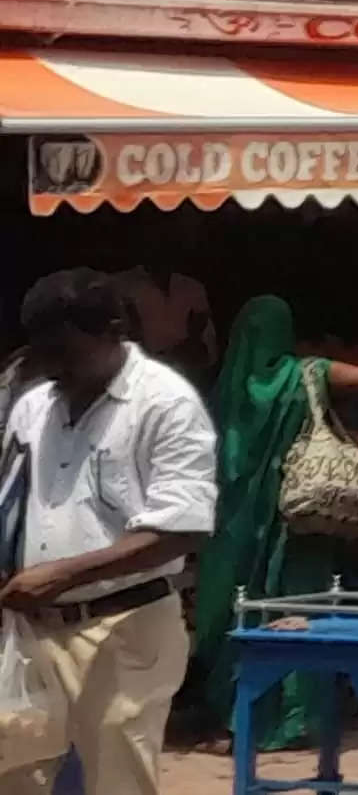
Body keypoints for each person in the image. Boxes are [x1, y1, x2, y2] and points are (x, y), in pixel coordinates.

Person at [2, 269, 215, 795]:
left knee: (116, 780)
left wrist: (61, 576)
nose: (56, 370)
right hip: (32, 628)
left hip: (126, 626)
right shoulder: (35, 405)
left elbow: (182, 529)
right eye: (45, 356)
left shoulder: (165, 403)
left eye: (67, 354)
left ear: (114, 330)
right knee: (16, 774)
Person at [185, 298, 358, 742]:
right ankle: (295, 720)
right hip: (300, 521)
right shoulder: (307, 373)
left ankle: (238, 718)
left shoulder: (221, 393)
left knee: (236, 612)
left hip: (234, 534)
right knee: (300, 610)